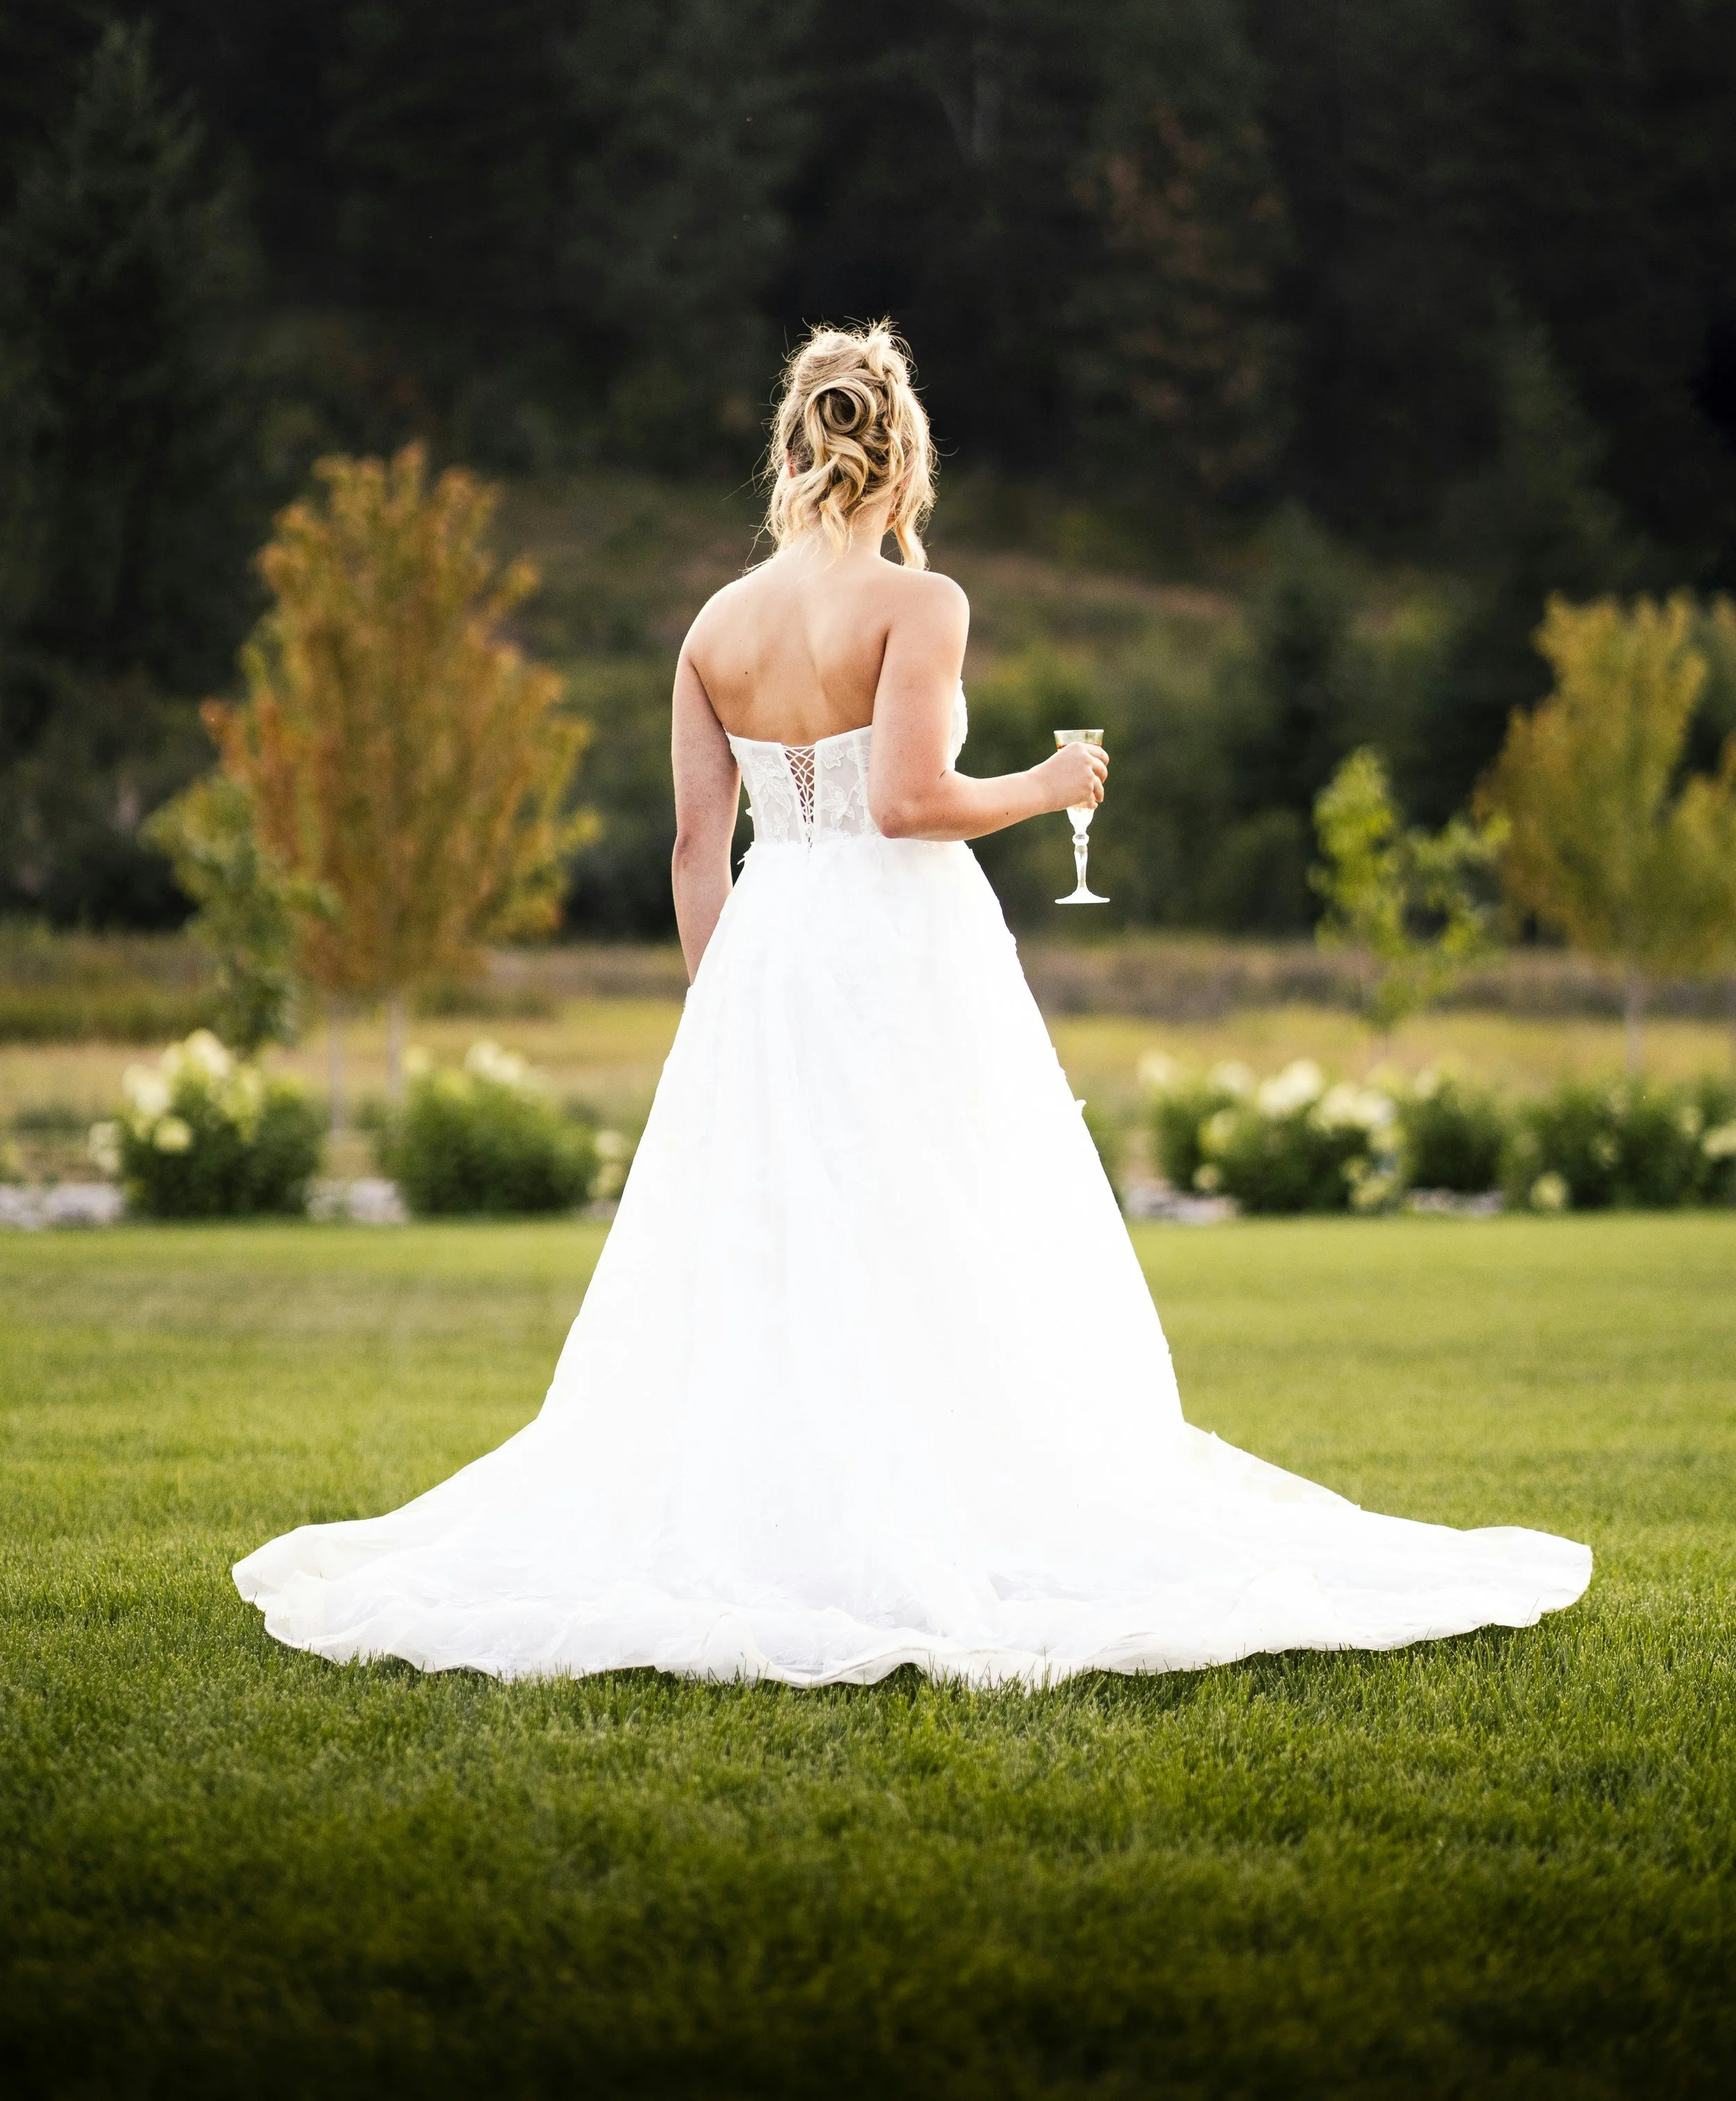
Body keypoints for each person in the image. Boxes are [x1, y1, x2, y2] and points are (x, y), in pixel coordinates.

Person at [235, 325, 1589, 1684]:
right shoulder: (916, 606)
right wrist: (1048, 786)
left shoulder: (714, 626)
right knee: (944, 1221)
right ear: (902, 459)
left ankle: (786, 1523)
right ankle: (938, 1512)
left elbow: (694, 852)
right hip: (891, 947)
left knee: (785, 1248)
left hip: (762, 955)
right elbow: (905, 803)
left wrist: (717, 1016)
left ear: (789, 453)